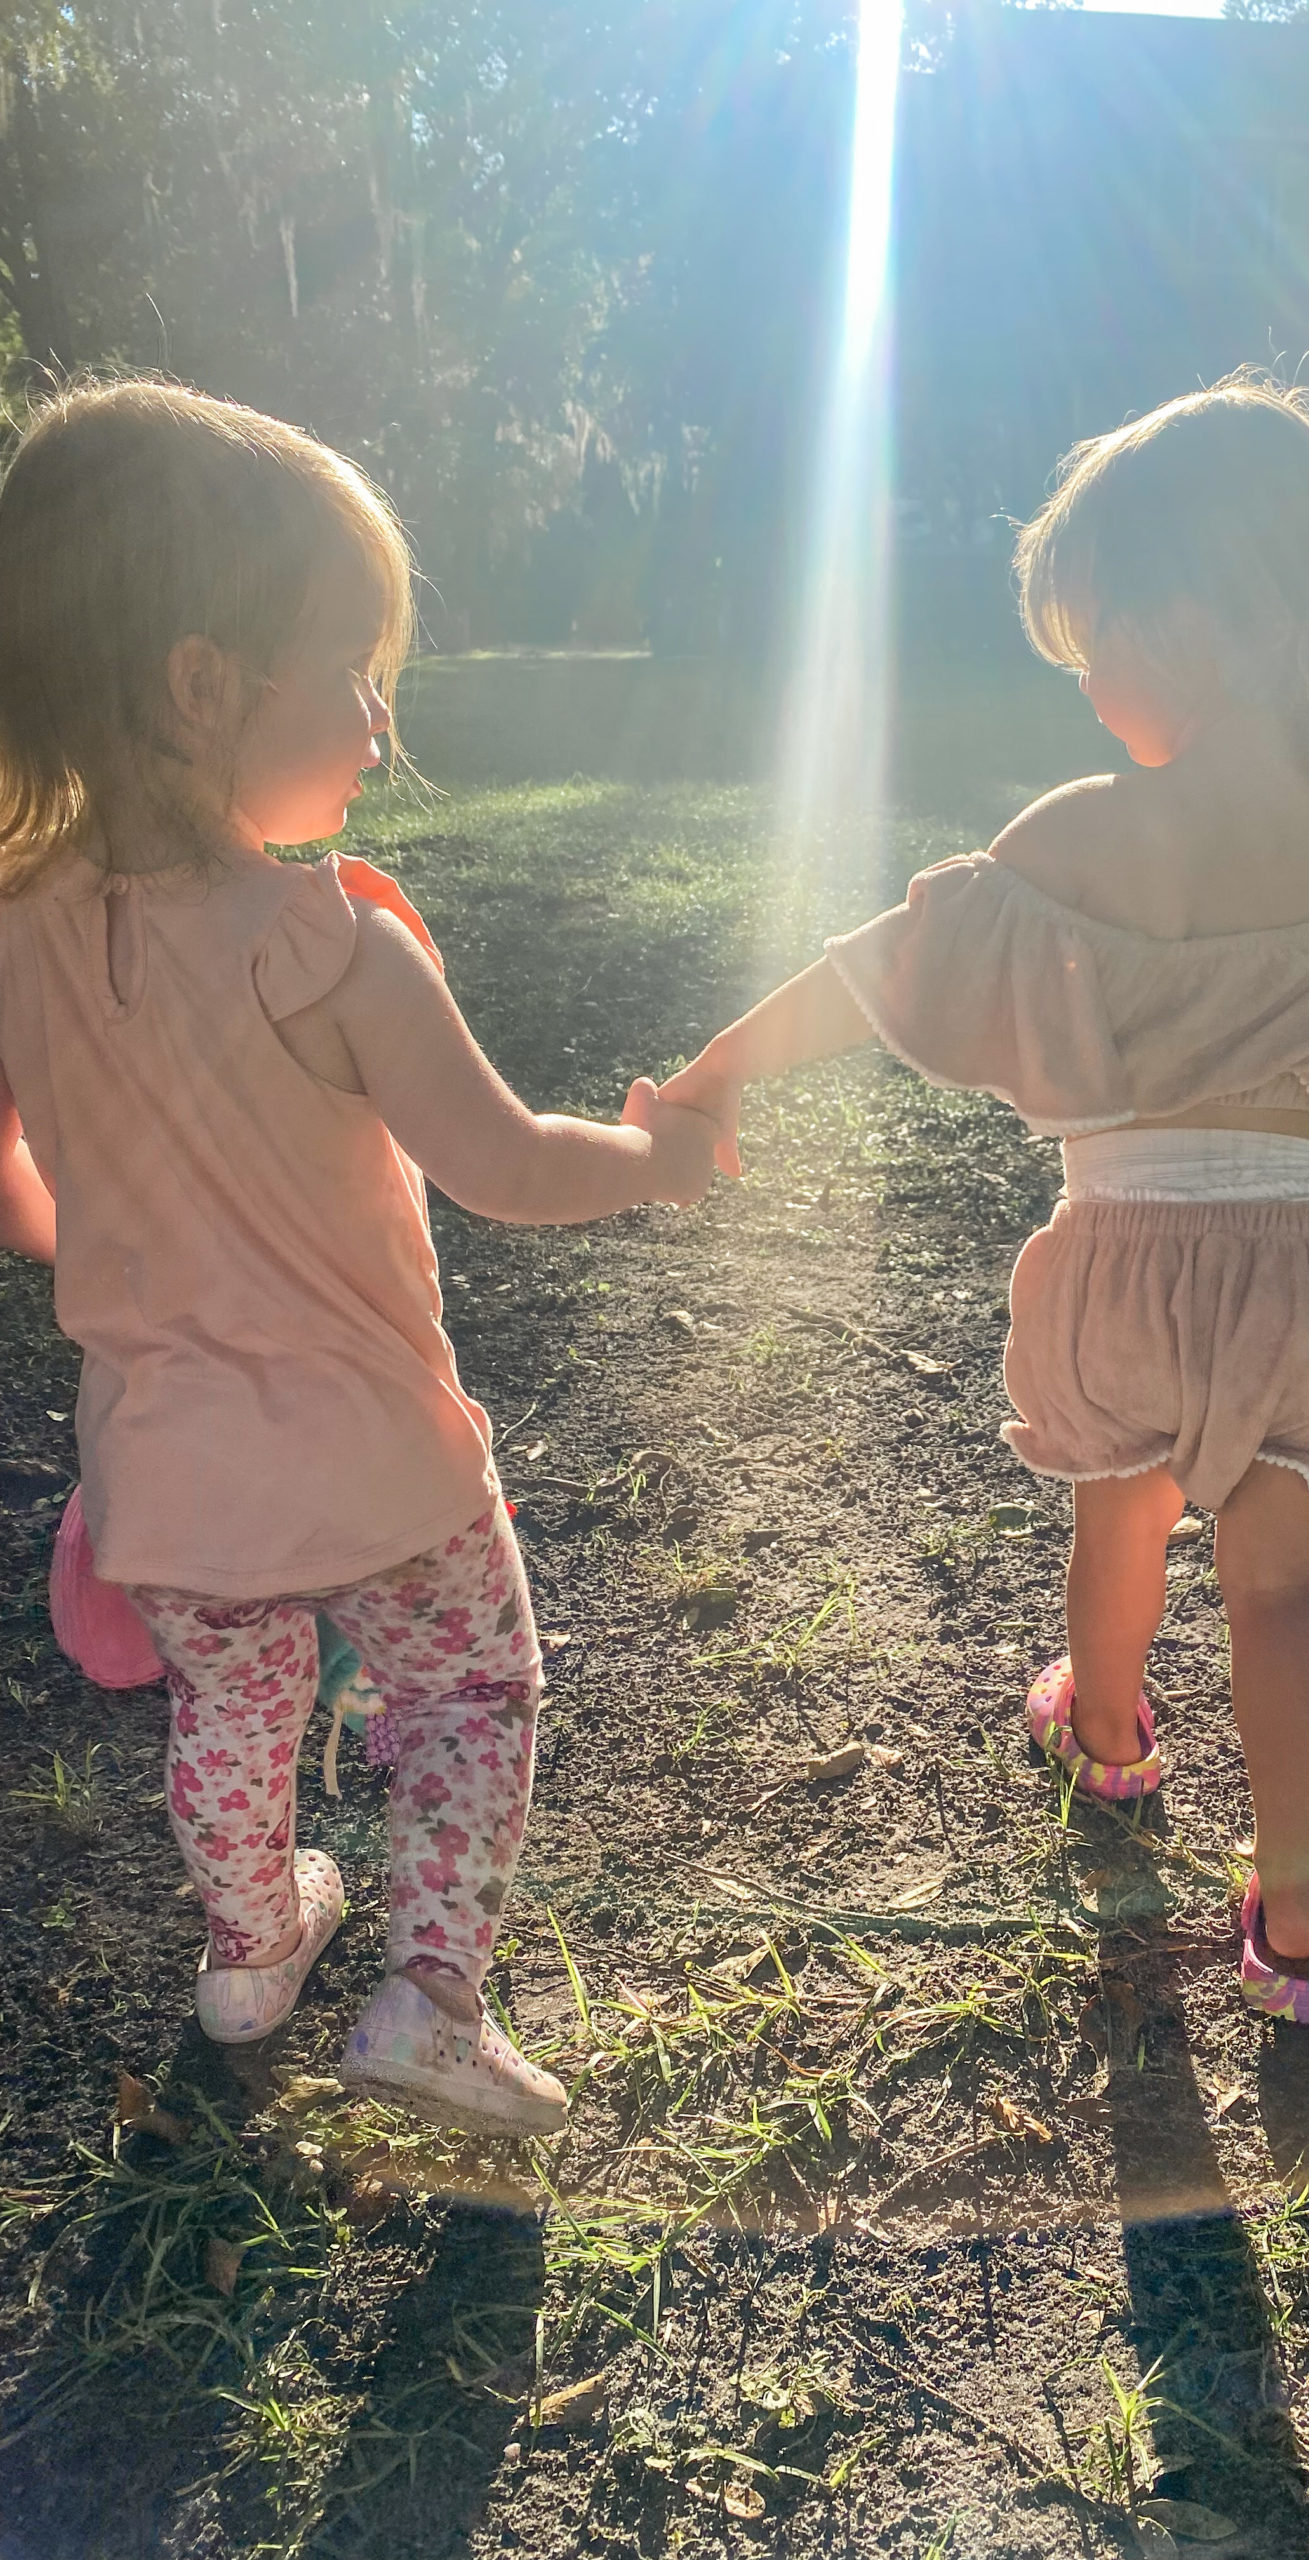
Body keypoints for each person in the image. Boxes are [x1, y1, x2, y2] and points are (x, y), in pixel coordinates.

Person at [661, 373, 1309, 2025]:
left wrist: (717, 1070)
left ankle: (1112, 1735)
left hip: (1118, 1263)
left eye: (1097, 643)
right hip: (1308, 1269)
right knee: (1283, 1589)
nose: (1087, 685)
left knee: (1116, 1512)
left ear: (1191, 620)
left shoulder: (1073, 837)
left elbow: (870, 973)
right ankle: (1289, 1917)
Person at [0, 379, 716, 2131]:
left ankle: (253, 1949)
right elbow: (506, 1168)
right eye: (353, 672)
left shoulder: (13, 935)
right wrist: (662, 1157)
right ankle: (426, 1998)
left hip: (166, 1464)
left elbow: (12, 1174)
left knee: (233, 1702)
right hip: (383, 1453)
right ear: (200, 688)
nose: (380, 726)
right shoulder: (334, 947)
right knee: (471, 1688)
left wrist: (88, 1240)